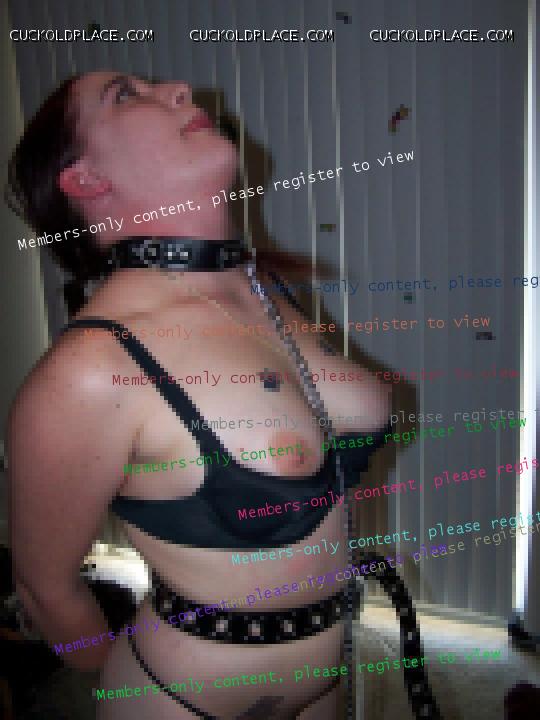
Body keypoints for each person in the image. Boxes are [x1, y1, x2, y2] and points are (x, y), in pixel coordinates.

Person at [6, 71, 390, 720]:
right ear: (86, 180)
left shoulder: (267, 296)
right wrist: (119, 683)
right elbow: (44, 589)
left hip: (328, 674)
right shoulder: (93, 366)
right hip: (183, 698)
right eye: (125, 95)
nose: (180, 89)